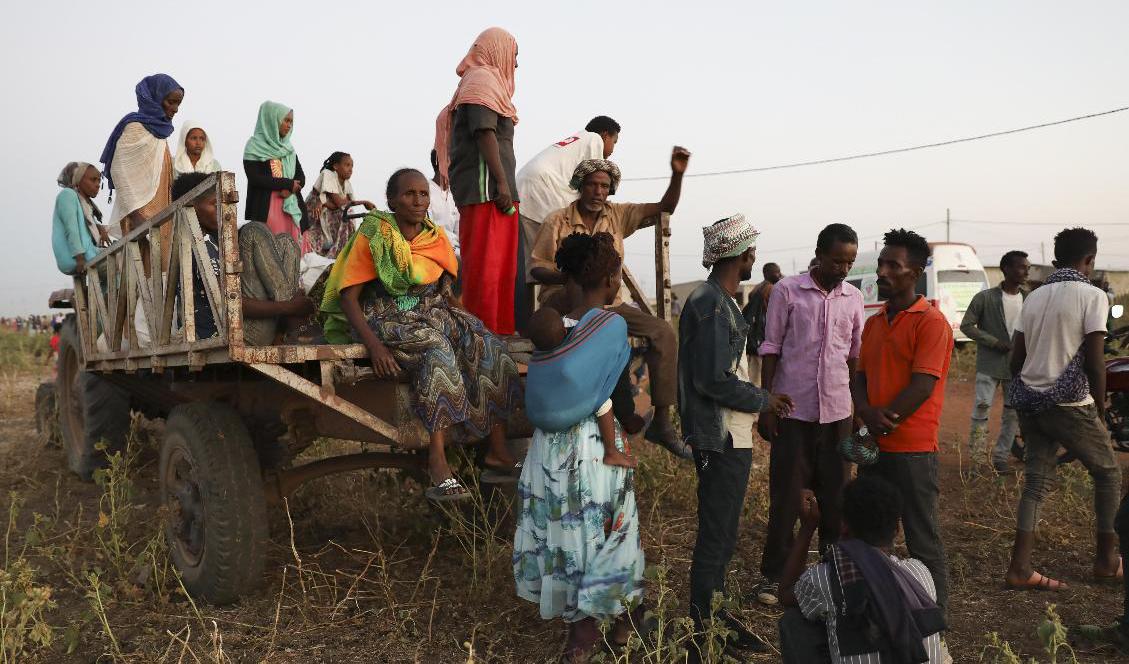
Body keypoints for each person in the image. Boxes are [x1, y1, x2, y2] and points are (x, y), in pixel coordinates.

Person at [321, 168, 520, 501]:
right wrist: (375, 348)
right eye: (409, 194)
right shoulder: (376, 234)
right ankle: (437, 461)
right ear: (392, 200)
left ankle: (497, 452)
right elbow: (349, 297)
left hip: (432, 311)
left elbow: (444, 293)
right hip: (387, 315)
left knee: (488, 346)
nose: (418, 200)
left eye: (423, 194)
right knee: (436, 349)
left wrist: (472, 324)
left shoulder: (435, 237)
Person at [514, 232, 644, 663]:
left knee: (565, 535)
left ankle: (588, 628)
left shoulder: (550, 327)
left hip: (548, 448)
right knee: (605, 531)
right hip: (592, 445)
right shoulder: (611, 327)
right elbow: (612, 393)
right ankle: (601, 627)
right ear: (610, 279)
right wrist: (629, 430)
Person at [678, 214, 793, 657]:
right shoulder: (709, 302)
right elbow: (712, 379)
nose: (754, 258)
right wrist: (765, 399)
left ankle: (715, 619)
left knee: (724, 534)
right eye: (750, 252)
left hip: (729, 435)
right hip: (718, 436)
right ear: (739, 254)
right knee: (716, 534)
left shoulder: (718, 299)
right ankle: (704, 629)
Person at [530, 150, 691, 459]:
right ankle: (621, 408)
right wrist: (571, 276)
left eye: (605, 186)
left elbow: (664, 207)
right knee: (598, 326)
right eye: (592, 185)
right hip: (565, 299)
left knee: (663, 332)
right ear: (580, 185)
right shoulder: (557, 221)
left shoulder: (617, 215)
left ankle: (662, 422)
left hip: (609, 302)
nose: (599, 192)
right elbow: (535, 268)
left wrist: (678, 175)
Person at [1003, 227, 1122, 591]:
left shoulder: (1034, 297)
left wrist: (1030, 388)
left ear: (1056, 258)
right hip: (1070, 403)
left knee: (1036, 482)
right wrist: (1100, 409)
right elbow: (1097, 363)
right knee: (1108, 474)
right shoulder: (1092, 295)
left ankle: (1020, 568)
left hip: (1030, 399)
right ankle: (1106, 560)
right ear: (1089, 260)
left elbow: (1016, 358)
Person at [755, 224, 864, 606]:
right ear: (818, 255)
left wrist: (853, 406)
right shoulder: (788, 291)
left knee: (835, 499)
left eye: (849, 262)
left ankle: (832, 575)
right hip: (793, 411)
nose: (843, 268)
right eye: (837, 260)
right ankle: (774, 577)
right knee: (786, 498)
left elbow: (853, 354)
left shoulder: (853, 297)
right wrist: (767, 402)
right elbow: (771, 347)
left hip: (836, 413)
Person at [851, 229, 953, 615]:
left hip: (912, 449)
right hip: (876, 445)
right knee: (871, 537)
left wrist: (878, 420)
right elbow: (859, 376)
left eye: (893, 265)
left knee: (921, 539)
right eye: (882, 263)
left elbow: (922, 385)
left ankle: (935, 621)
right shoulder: (875, 322)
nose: (882, 271)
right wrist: (866, 412)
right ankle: (879, 612)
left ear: (916, 272)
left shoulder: (931, 322)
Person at [777, 476, 945, 664]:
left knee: (794, 622)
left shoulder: (827, 578)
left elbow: (786, 592)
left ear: (845, 527)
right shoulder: (919, 573)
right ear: (897, 528)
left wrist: (807, 528)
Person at [434, 27, 520, 335]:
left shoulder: (490, 83)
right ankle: (482, 335)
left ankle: (499, 332)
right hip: (488, 189)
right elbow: (485, 133)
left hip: (499, 189)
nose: (516, 63)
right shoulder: (481, 79)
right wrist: (501, 183)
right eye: (515, 55)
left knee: (503, 269)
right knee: (486, 267)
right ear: (495, 50)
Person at [172, 172, 315, 345]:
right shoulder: (194, 246)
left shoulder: (218, 241)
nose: (222, 210)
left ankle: (286, 328)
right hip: (224, 336)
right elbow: (231, 301)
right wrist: (290, 306)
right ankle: (294, 322)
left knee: (286, 242)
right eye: (214, 203)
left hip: (252, 327)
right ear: (192, 207)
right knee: (253, 231)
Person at [515, 116, 621, 329]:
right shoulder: (594, 140)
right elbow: (591, 179)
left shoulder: (576, 141)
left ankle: (525, 324)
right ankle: (559, 318)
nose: (612, 150)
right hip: (542, 189)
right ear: (605, 135)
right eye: (615, 142)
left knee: (528, 266)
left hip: (528, 187)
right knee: (573, 253)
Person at [527, 305, 635, 469]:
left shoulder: (536, 363)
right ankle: (611, 452)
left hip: (541, 418)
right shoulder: (569, 363)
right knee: (603, 402)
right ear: (565, 332)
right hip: (566, 413)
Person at [960, 250, 1029, 473]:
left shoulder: (1029, 299)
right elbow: (966, 326)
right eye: (1021, 266)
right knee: (981, 411)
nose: (1026, 270)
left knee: (1012, 414)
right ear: (1006, 269)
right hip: (989, 365)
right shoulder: (985, 297)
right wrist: (993, 341)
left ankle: (1001, 458)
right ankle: (978, 461)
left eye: (1027, 267)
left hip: (1017, 367)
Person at [100, 74, 183, 242]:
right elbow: (119, 171)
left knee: (164, 264)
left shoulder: (161, 133)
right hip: (138, 217)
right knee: (141, 264)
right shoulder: (134, 127)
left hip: (162, 209)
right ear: (155, 98)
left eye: (178, 104)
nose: (175, 109)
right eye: (171, 102)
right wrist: (135, 213)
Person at [244, 101, 308, 245]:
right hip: (266, 209)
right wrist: (287, 184)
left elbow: (301, 177)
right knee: (269, 253)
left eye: (291, 121)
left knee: (293, 255)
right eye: (286, 120)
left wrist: (291, 189)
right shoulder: (254, 147)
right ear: (272, 119)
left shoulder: (288, 149)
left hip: (291, 208)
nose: (289, 125)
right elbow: (255, 178)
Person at [303, 152, 375, 259]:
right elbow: (341, 204)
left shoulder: (346, 184)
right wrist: (364, 202)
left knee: (348, 213)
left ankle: (344, 247)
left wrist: (326, 203)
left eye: (352, 166)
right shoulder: (328, 174)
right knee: (347, 212)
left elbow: (340, 205)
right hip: (314, 219)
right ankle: (344, 249)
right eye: (347, 165)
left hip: (327, 219)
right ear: (335, 166)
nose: (350, 169)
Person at [52, 162, 103, 275]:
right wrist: (79, 258)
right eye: (93, 180)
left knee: (124, 255)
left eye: (99, 181)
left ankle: (112, 292)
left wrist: (100, 228)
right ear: (78, 180)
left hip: (89, 254)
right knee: (127, 255)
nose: (98, 184)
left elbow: (86, 225)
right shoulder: (67, 195)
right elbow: (71, 228)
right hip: (79, 257)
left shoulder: (85, 204)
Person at [428, 149, 461, 297]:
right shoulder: (425, 190)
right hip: (436, 249)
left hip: (456, 250)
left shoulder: (455, 194)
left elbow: (459, 232)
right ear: (438, 163)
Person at [742, 262, 782, 375]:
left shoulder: (757, 288)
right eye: (777, 272)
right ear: (768, 274)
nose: (780, 275)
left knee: (754, 376)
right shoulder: (771, 289)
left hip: (754, 339)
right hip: (764, 338)